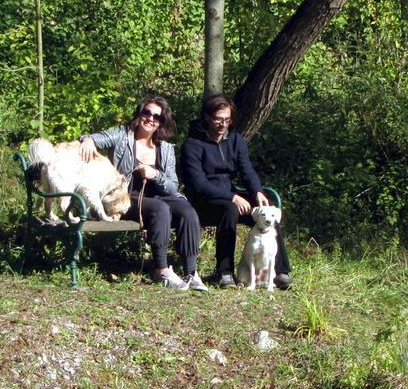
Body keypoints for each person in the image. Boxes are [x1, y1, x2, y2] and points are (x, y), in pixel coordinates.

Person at [79, 96, 208, 291]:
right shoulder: (122, 135)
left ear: (162, 122)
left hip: (158, 197)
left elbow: (173, 186)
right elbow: (96, 138)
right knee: (160, 208)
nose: (150, 119)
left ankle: (191, 272)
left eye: (157, 117)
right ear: (139, 115)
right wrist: (87, 140)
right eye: (146, 113)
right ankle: (161, 269)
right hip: (124, 198)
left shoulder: (165, 148)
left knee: (187, 211)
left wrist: (155, 174)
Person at [179, 94, 292, 289]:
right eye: (218, 119)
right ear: (207, 117)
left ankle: (279, 271)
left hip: (231, 194)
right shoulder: (192, 144)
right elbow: (198, 184)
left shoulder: (236, 140)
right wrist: (232, 196)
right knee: (230, 209)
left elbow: (246, 170)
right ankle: (224, 272)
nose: (223, 124)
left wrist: (257, 192)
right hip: (203, 201)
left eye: (227, 119)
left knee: (268, 211)